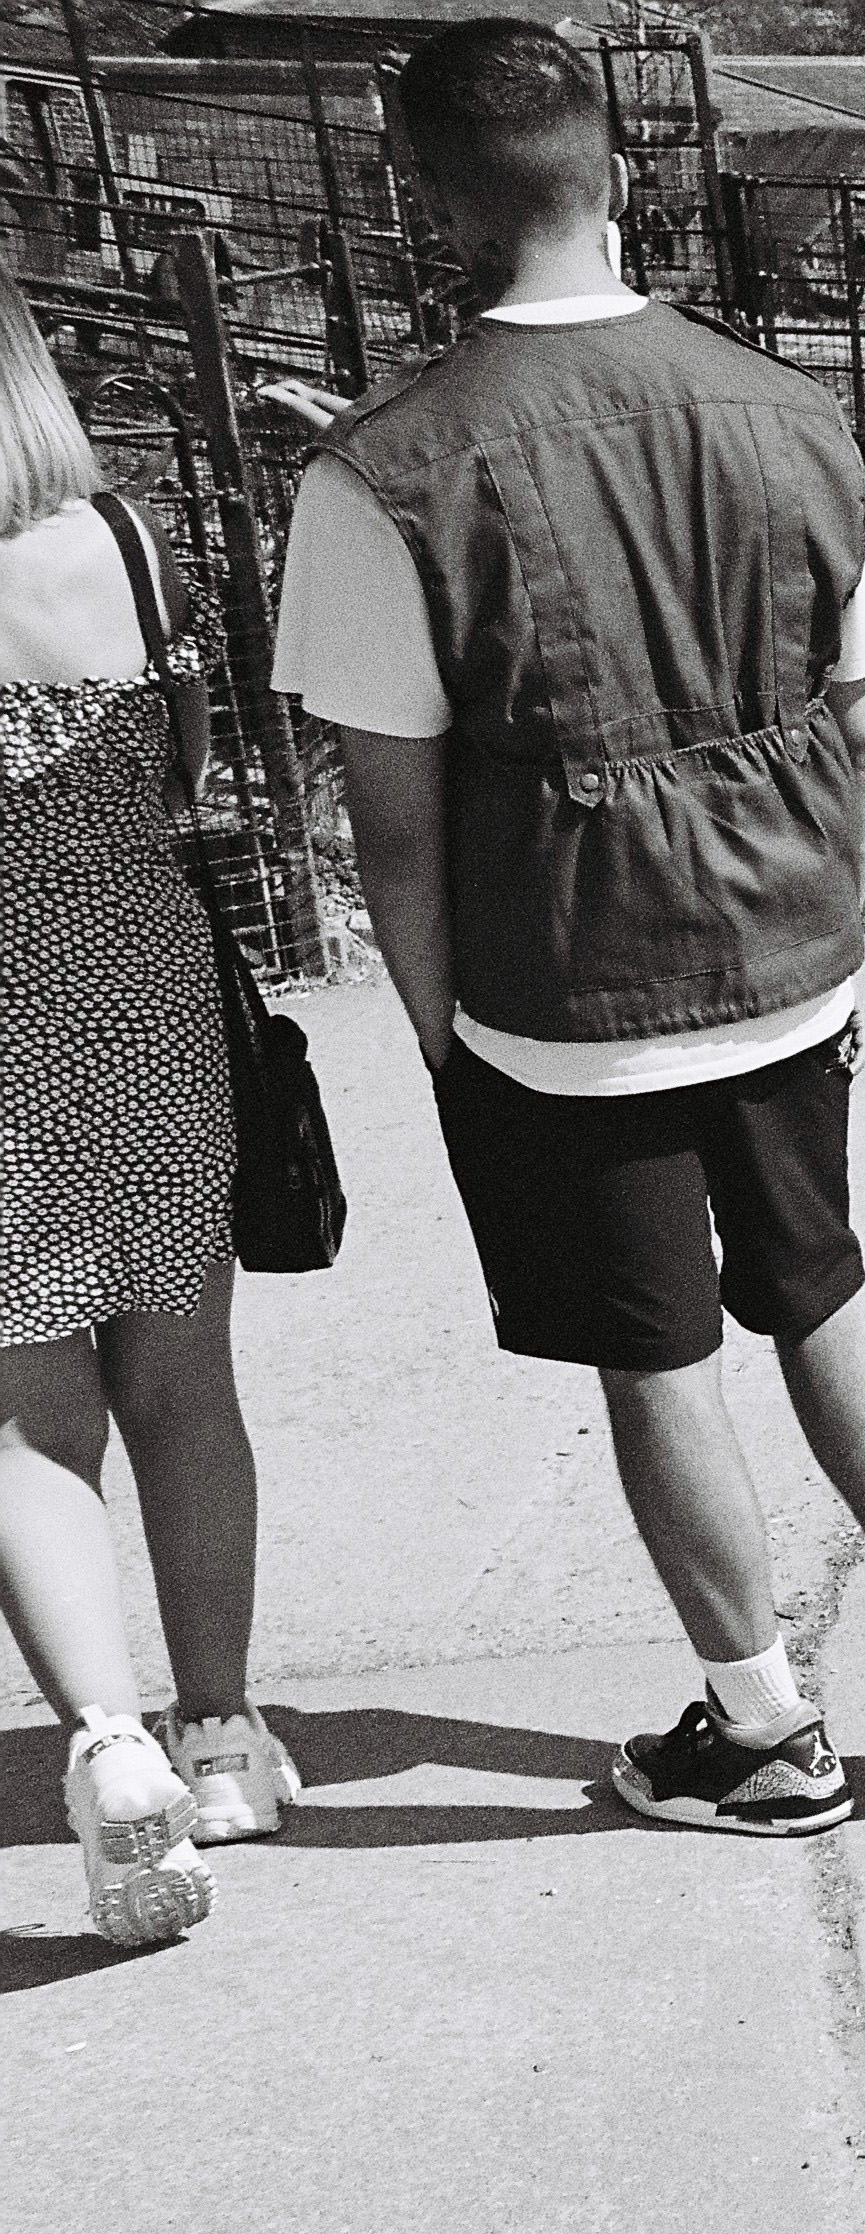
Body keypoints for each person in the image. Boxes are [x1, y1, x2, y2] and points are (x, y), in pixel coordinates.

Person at [281, 19, 865, 1835]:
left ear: (423, 201)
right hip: (787, 946)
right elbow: (863, 712)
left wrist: (439, 1025)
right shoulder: (781, 406)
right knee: (820, 1273)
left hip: (566, 983)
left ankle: (761, 1725)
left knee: (654, 1348)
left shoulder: (378, 474)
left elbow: (388, 819)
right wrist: (823, 895)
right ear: (616, 174)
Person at [0, 276, 278, 1940]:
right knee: (186, 1383)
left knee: (26, 1414)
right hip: (149, 983)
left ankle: (109, 1743)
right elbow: (187, 761)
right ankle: (227, 1735)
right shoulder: (128, 542)